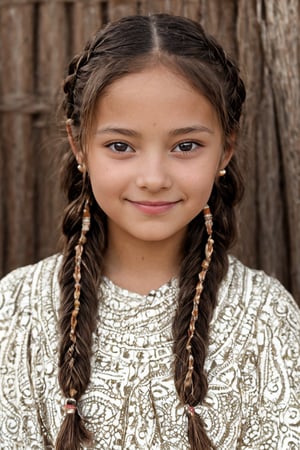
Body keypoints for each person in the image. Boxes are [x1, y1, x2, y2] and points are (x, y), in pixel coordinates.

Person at [0, 13, 299, 450]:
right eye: (121, 146)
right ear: (79, 144)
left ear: (226, 148)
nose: (154, 177)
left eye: (186, 146)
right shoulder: (16, 314)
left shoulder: (268, 321)